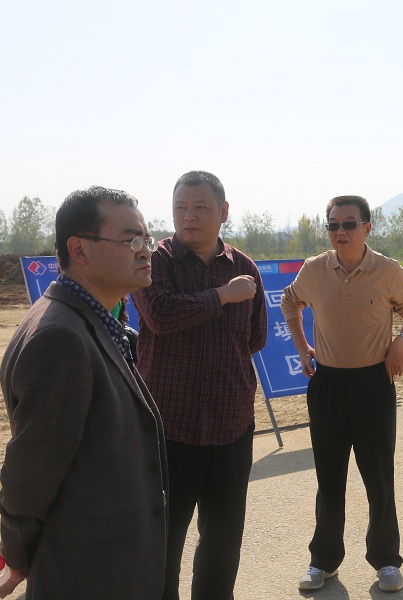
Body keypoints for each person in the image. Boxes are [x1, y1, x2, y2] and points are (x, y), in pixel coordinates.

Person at [0, 186, 168, 599]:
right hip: (89, 573)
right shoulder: (60, 337)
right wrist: (15, 550)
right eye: (131, 240)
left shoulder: (91, 319)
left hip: (114, 565)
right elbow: (32, 469)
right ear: (79, 249)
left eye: (147, 240)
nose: (145, 252)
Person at [131, 171, 268, 600]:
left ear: (223, 212)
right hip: (169, 429)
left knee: (222, 543)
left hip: (231, 427)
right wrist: (222, 296)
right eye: (181, 208)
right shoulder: (154, 260)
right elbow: (160, 316)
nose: (188, 216)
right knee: (163, 543)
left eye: (200, 207)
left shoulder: (244, 268)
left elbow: (256, 338)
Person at [280, 195, 403, 593]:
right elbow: (290, 302)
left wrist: (401, 343)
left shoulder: (388, 270)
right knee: (329, 478)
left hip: (373, 384)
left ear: (367, 227)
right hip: (327, 384)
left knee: (379, 478)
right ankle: (323, 562)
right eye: (333, 225)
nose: (340, 232)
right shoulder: (314, 269)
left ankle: (386, 561)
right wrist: (301, 347)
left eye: (348, 224)